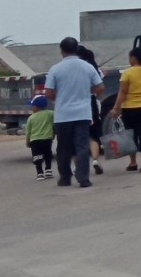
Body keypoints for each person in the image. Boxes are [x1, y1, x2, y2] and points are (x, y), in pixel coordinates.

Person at [44, 36, 104, 188]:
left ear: (61, 51)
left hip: (63, 115)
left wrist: (58, 99)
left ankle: (65, 178)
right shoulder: (87, 67)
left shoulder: (55, 69)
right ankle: (83, 179)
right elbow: (100, 87)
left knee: (63, 148)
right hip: (83, 113)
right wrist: (88, 93)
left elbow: (48, 92)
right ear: (76, 49)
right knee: (82, 146)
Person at [111, 47, 141, 174]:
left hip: (129, 109)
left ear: (134, 58)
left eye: (130, 57)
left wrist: (116, 108)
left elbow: (122, 92)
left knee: (130, 135)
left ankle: (133, 162)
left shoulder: (127, 73)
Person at [78, 47, 106, 175]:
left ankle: (78, 164)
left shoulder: (76, 67)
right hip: (91, 100)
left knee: (78, 133)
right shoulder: (93, 68)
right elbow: (100, 87)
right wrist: (94, 95)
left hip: (77, 101)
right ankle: (95, 159)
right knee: (94, 133)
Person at [24, 94, 55, 180]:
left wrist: (27, 141)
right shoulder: (50, 114)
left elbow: (28, 131)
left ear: (37, 107)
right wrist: (53, 134)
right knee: (48, 154)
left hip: (35, 140)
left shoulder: (31, 118)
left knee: (37, 156)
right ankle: (48, 170)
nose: (31, 108)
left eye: (32, 106)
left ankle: (40, 172)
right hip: (47, 139)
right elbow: (54, 124)